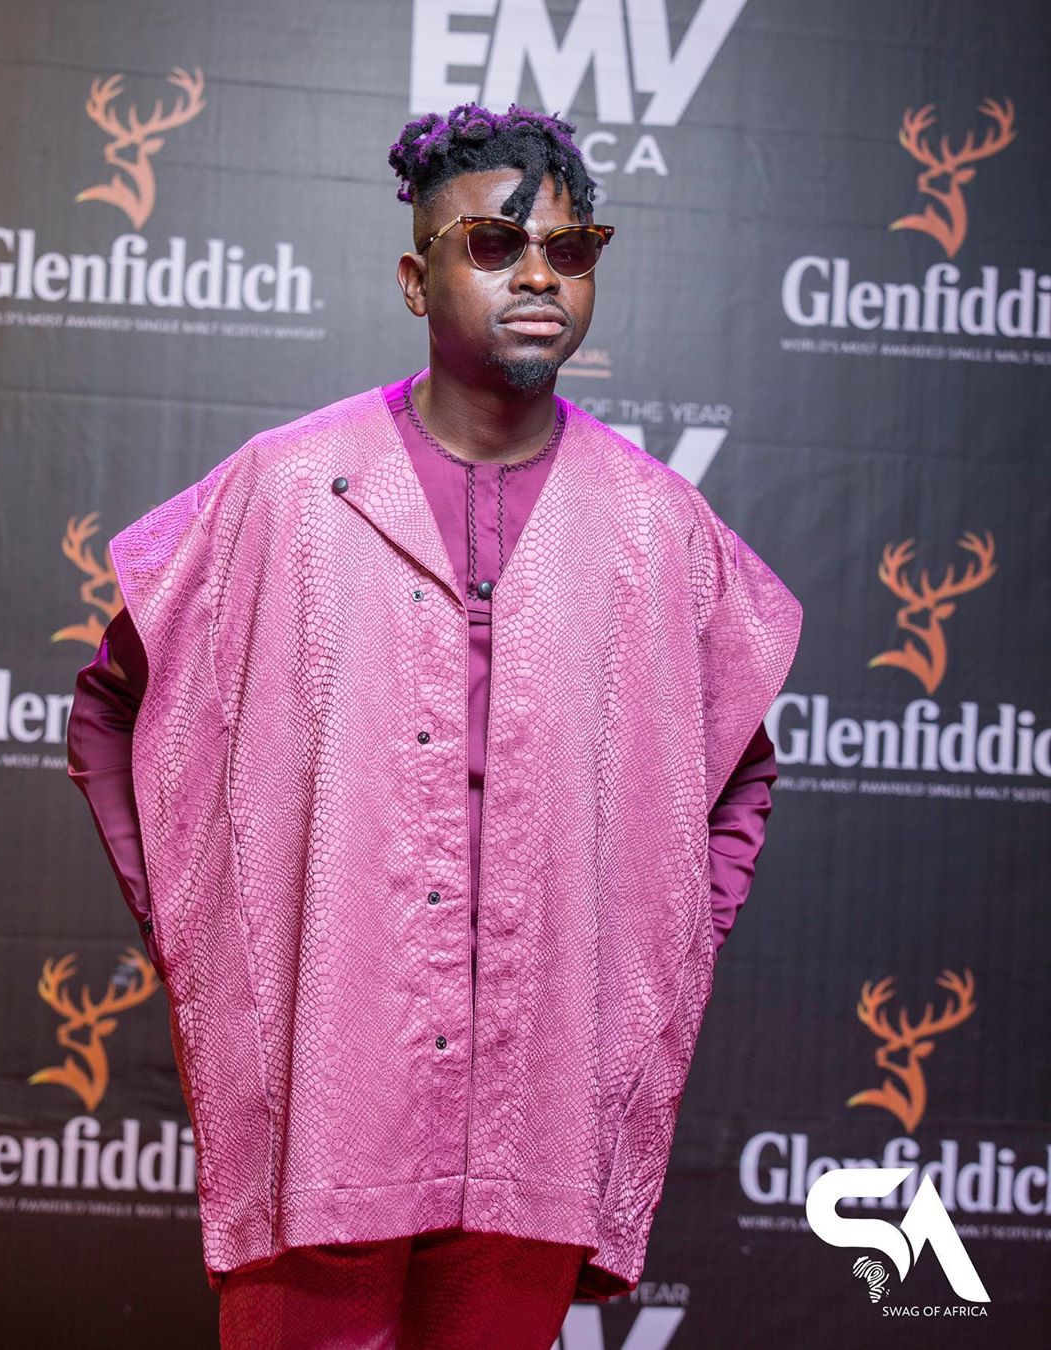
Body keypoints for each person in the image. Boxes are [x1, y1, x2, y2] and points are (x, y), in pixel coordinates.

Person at [66, 103, 802, 1348]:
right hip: (326, 1089)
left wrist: (665, 947)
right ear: (416, 280)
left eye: (570, 250)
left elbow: (734, 770)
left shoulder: (657, 524)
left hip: (541, 1097)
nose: (538, 278)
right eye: (495, 246)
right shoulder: (285, 489)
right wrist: (203, 931)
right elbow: (112, 711)